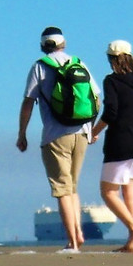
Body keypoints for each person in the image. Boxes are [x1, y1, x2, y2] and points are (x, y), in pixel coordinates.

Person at [17, 26, 100, 252]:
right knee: (72, 187)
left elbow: (28, 102)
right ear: (63, 43)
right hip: (81, 133)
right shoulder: (79, 63)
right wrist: (91, 129)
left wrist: (22, 134)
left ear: (44, 45)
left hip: (55, 135)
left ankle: (73, 242)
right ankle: (78, 233)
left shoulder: (40, 67)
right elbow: (96, 98)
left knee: (62, 189)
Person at [89, 40, 133, 253]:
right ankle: (131, 244)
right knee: (132, 195)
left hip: (121, 144)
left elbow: (111, 113)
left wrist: (93, 132)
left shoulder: (111, 81)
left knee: (108, 192)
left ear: (111, 59)